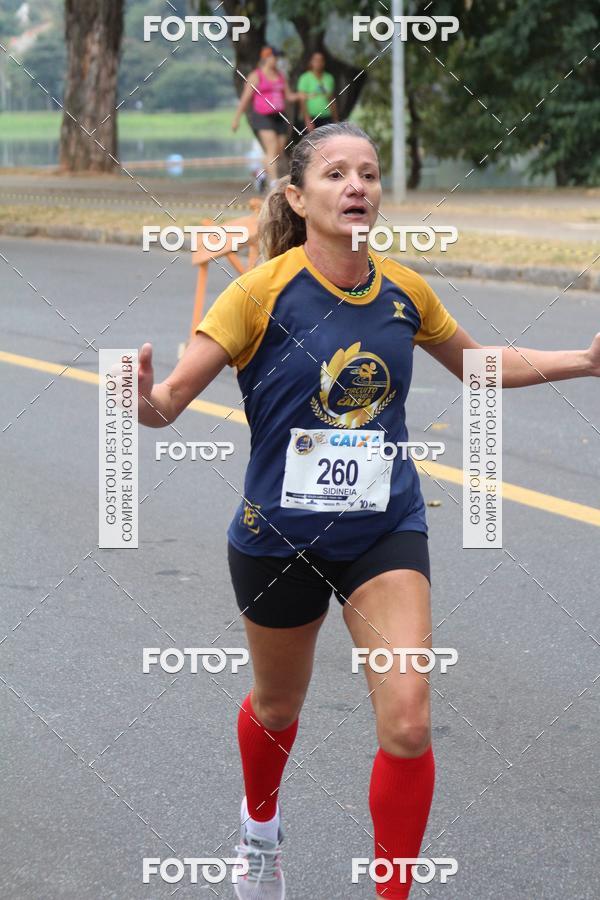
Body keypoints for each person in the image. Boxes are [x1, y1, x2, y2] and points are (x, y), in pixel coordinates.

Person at [137, 122, 600, 899]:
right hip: (276, 536)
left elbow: (479, 365)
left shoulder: (403, 291)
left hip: (384, 528)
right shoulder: (258, 290)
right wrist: (136, 400)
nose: (357, 186)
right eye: (336, 175)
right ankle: (259, 834)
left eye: (369, 174)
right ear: (297, 195)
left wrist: (585, 362)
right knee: (278, 706)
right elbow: (168, 402)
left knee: (409, 721)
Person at [232, 46, 305, 189]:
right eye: (274, 57)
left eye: (277, 58)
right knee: (271, 150)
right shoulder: (256, 75)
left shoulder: (280, 75)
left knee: (278, 152)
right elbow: (245, 99)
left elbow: (288, 96)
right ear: (266, 58)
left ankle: (260, 173)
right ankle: (274, 183)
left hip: (279, 116)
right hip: (262, 116)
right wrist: (236, 119)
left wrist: (301, 96)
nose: (276, 60)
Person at [297, 51, 339, 131]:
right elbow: (302, 100)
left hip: (326, 117)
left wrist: (335, 119)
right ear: (311, 62)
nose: (318, 62)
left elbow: (331, 99)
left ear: (324, 63)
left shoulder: (329, 78)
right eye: (315, 60)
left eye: (321, 60)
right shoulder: (305, 78)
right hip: (311, 117)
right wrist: (307, 119)